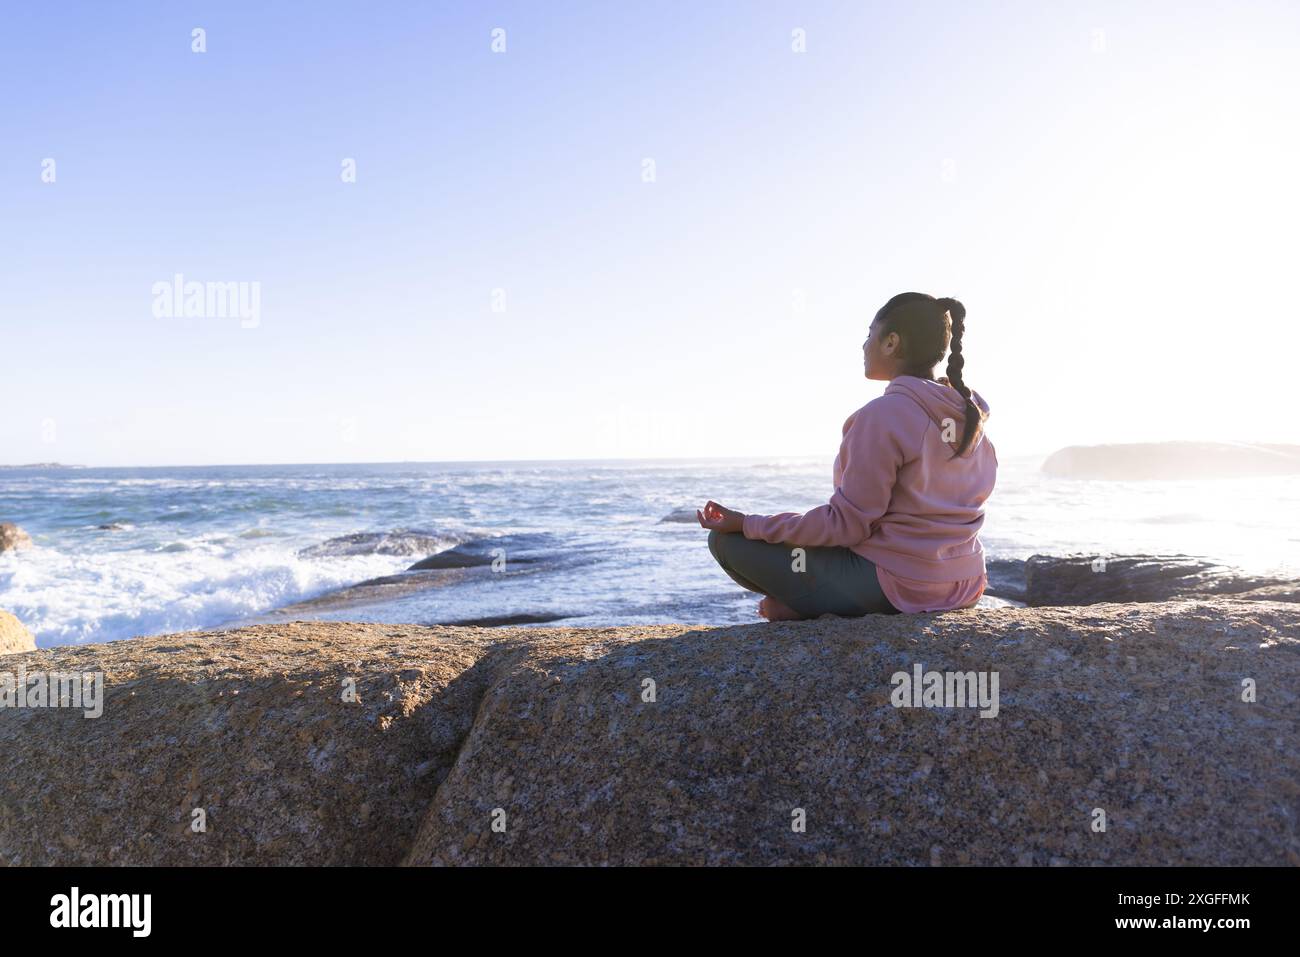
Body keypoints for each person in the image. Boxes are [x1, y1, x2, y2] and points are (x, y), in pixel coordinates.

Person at [698, 292, 997, 621]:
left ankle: (813, 606)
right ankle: (810, 603)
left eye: (870, 335)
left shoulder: (883, 415)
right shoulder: (970, 417)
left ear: (891, 343)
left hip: (900, 585)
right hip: (965, 584)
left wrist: (747, 523)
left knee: (727, 543)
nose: (864, 345)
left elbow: (845, 526)